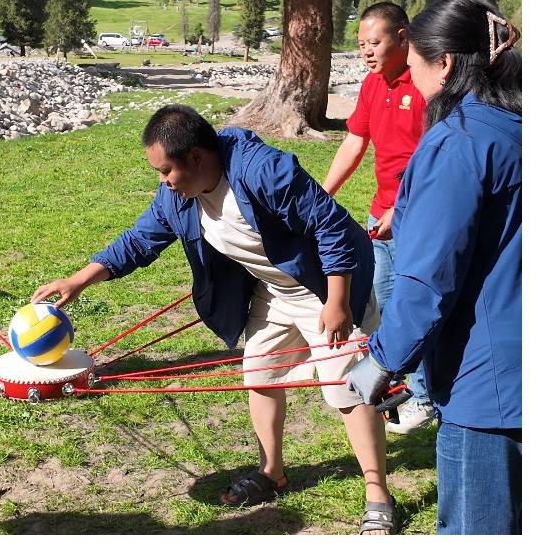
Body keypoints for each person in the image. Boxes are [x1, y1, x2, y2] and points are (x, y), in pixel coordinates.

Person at [33, 105, 395, 534]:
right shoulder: (176, 195)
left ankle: (378, 496)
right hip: (274, 289)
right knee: (260, 372)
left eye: (167, 170)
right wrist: (79, 280)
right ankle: (272, 473)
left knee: (349, 389)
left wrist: (337, 302)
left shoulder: (262, 170)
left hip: (327, 285)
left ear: (198, 159)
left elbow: (331, 227)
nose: (162, 181)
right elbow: (140, 240)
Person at [348, 0, 520, 535]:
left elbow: (426, 278)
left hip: (486, 390)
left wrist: (382, 361)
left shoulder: (458, 141)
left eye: (418, 62)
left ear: (442, 64)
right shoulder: (516, 126)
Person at [320, 2, 434, 432]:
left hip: (416, 214)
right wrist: (322, 197)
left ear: (403, 38)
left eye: (375, 42)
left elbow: (431, 157)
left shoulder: (424, 84)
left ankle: (425, 398)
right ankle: (396, 387)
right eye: (362, 43)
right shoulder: (372, 84)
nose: (366, 51)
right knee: (381, 305)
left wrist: (397, 208)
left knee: (417, 303)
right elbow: (354, 142)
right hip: (379, 215)